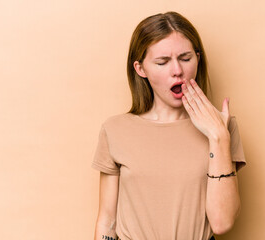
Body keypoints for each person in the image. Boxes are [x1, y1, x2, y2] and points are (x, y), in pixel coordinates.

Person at [91, 11, 247, 240]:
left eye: (185, 59)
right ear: (140, 69)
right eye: (162, 62)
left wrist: (218, 137)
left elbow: (222, 222)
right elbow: (107, 221)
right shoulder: (115, 130)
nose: (177, 71)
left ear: (197, 59)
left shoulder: (222, 126)